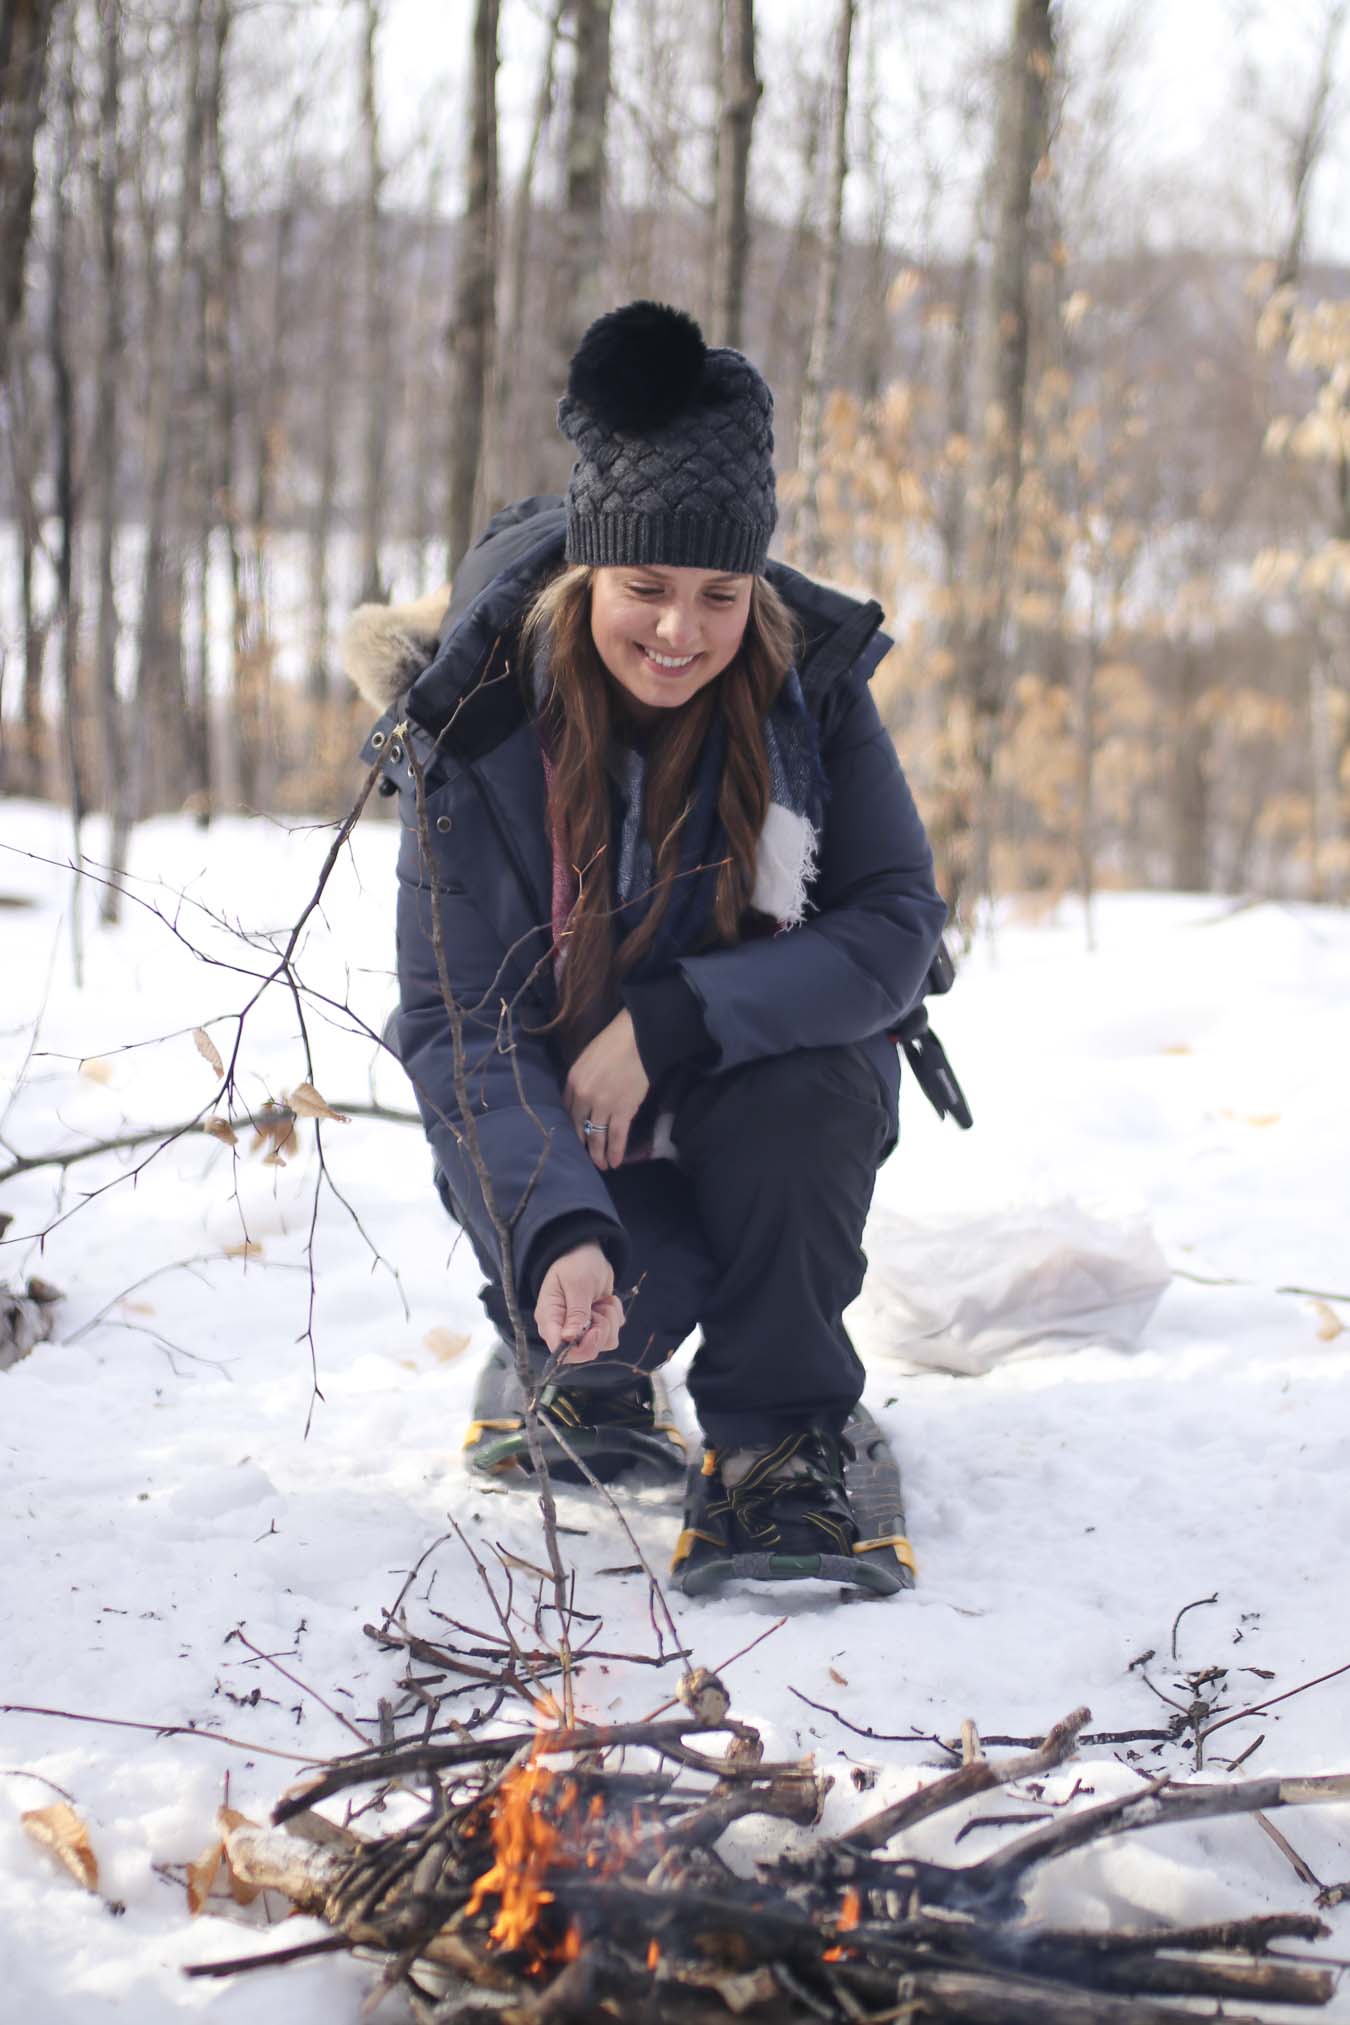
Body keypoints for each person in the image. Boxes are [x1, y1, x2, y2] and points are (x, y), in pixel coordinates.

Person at [345, 300, 949, 1572]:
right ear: (590, 572)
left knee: (818, 1088)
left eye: (718, 594)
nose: (680, 630)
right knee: (606, 1313)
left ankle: (783, 1425)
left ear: (755, 589)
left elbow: (895, 925)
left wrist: (672, 1017)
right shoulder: (483, 726)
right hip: (570, 1120)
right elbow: (462, 1025)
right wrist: (556, 1228)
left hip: (745, 1090)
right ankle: (575, 1344)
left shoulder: (809, 692)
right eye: (646, 588)